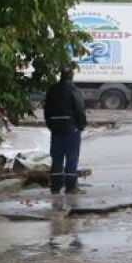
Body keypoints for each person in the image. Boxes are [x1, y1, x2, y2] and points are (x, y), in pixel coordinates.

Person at [43, 66, 88, 194]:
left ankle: (55, 186)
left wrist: (51, 125)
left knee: (56, 158)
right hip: (71, 129)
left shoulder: (52, 90)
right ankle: (70, 187)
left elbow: (46, 110)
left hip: (56, 130)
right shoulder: (74, 90)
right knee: (71, 158)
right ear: (71, 76)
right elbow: (80, 110)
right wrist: (81, 125)